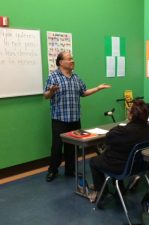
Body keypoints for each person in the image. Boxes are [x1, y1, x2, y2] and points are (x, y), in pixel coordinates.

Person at [44, 51, 111, 182]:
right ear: (61, 62)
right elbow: (46, 96)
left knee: (73, 147)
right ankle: (53, 170)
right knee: (57, 147)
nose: (72, 61)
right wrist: (51, 91)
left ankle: (70, 170)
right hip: (59, 119)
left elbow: (83, 93)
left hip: (74, 118)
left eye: (72, 59)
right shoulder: (53, 76)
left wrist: (98, 88)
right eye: (69, 59)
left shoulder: (76, 77)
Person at [89, 100, 149, 202]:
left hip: (123, 167)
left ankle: (101, 192)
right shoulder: (148, 129)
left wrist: (119, 126)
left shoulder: (123, 131)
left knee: (94, 161)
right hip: (140, 166)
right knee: (119, 156)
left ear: (132, 115)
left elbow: (108, 138)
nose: (128, 111)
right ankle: (120, 188)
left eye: (129, 110)